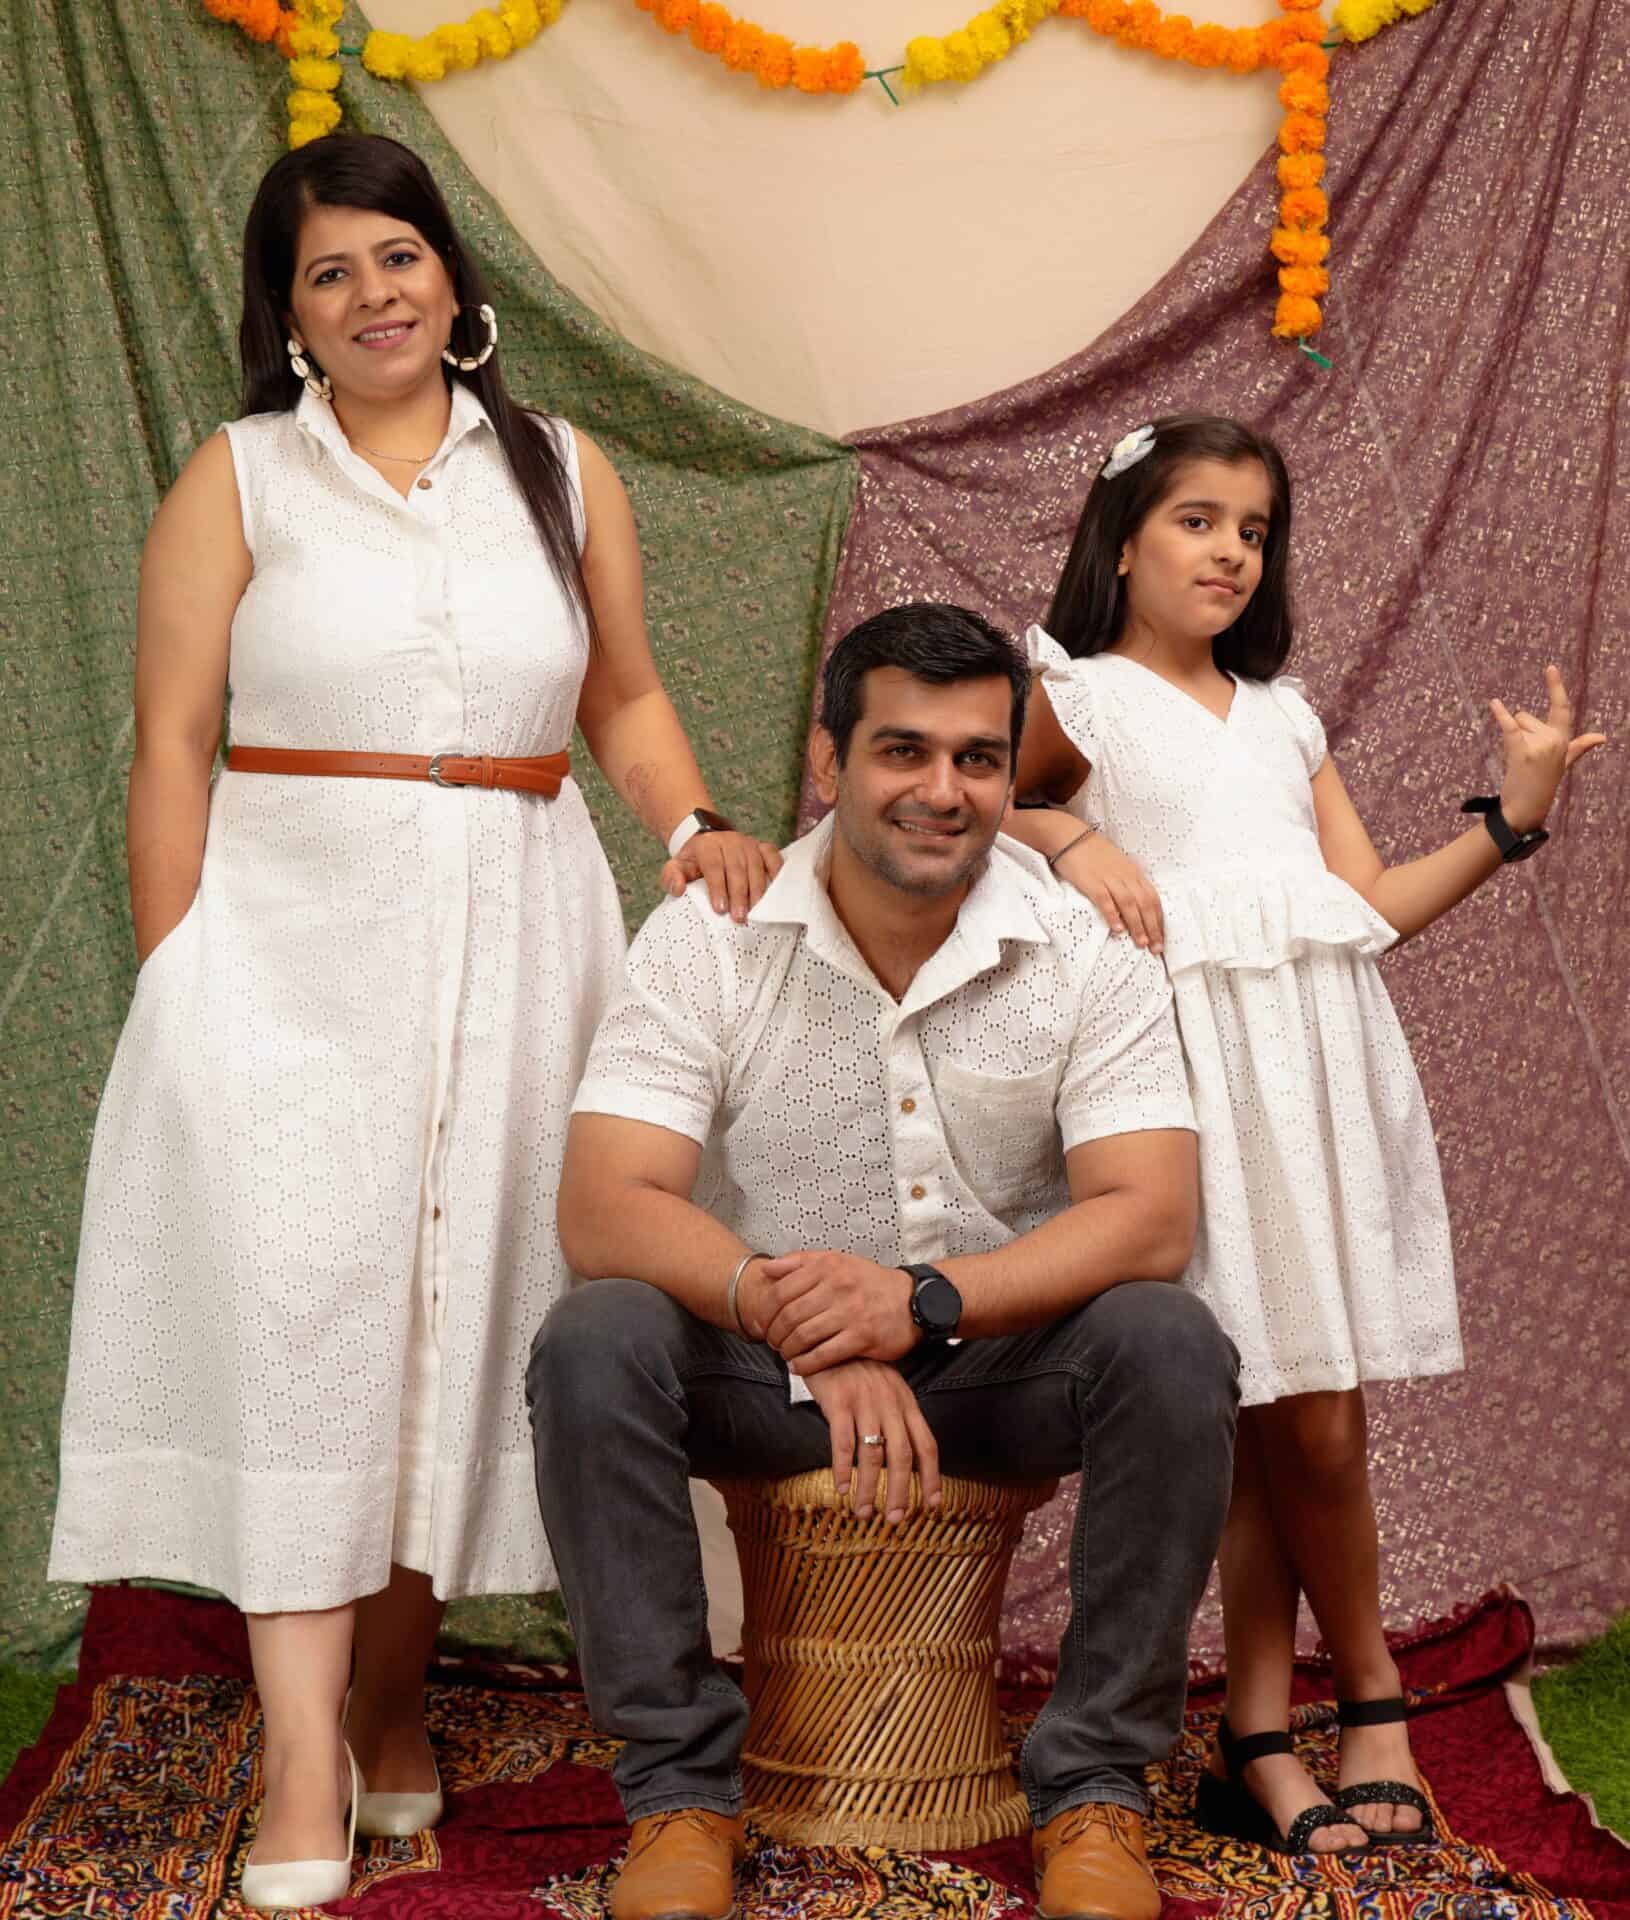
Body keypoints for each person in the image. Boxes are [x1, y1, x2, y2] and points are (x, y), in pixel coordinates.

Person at [46, 133, 780, 1912]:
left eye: (397, 256)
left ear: (453, 278)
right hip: (287, 953)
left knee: (455, 1321)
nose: (372, 293)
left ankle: (388, 1705)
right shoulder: (238, 478)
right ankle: (303, 1755)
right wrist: (176, 982)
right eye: (329, 272)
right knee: (308, 1322)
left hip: (521, 935)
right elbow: (172, 747)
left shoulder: (562, 469)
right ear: (288, 316)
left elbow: (625, 698)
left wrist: (692, 823)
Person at [528, 603, 1239, 1920]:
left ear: (1011, 774)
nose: (941, 790)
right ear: (828, 759)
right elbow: (605, 1203)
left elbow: (1149, 1215)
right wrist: (796, 1317)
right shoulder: (711, 933)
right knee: (594, 1337)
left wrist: (918, 1305)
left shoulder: (1084, 944)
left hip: (990, 1371)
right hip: (762, 1370)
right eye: (902, 750)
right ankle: (679, 1795)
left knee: (1169, 1339)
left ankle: (1095, 1789)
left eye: (978, 758)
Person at [1005, 413, 1606, 1856]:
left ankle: (1270, 1728)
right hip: (1184, 1085)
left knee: (1300, 1416)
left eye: (1254, 530)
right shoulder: (1071, 696)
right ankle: (1354, 1707)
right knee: (1262, 1408)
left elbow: (1371, 907)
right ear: (1121, 540)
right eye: (1196, 519)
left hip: (1315, 1077)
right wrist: (1069, 833)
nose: (1229, 551)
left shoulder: (1283, 716)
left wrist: (1514, 821)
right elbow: (977, 807)